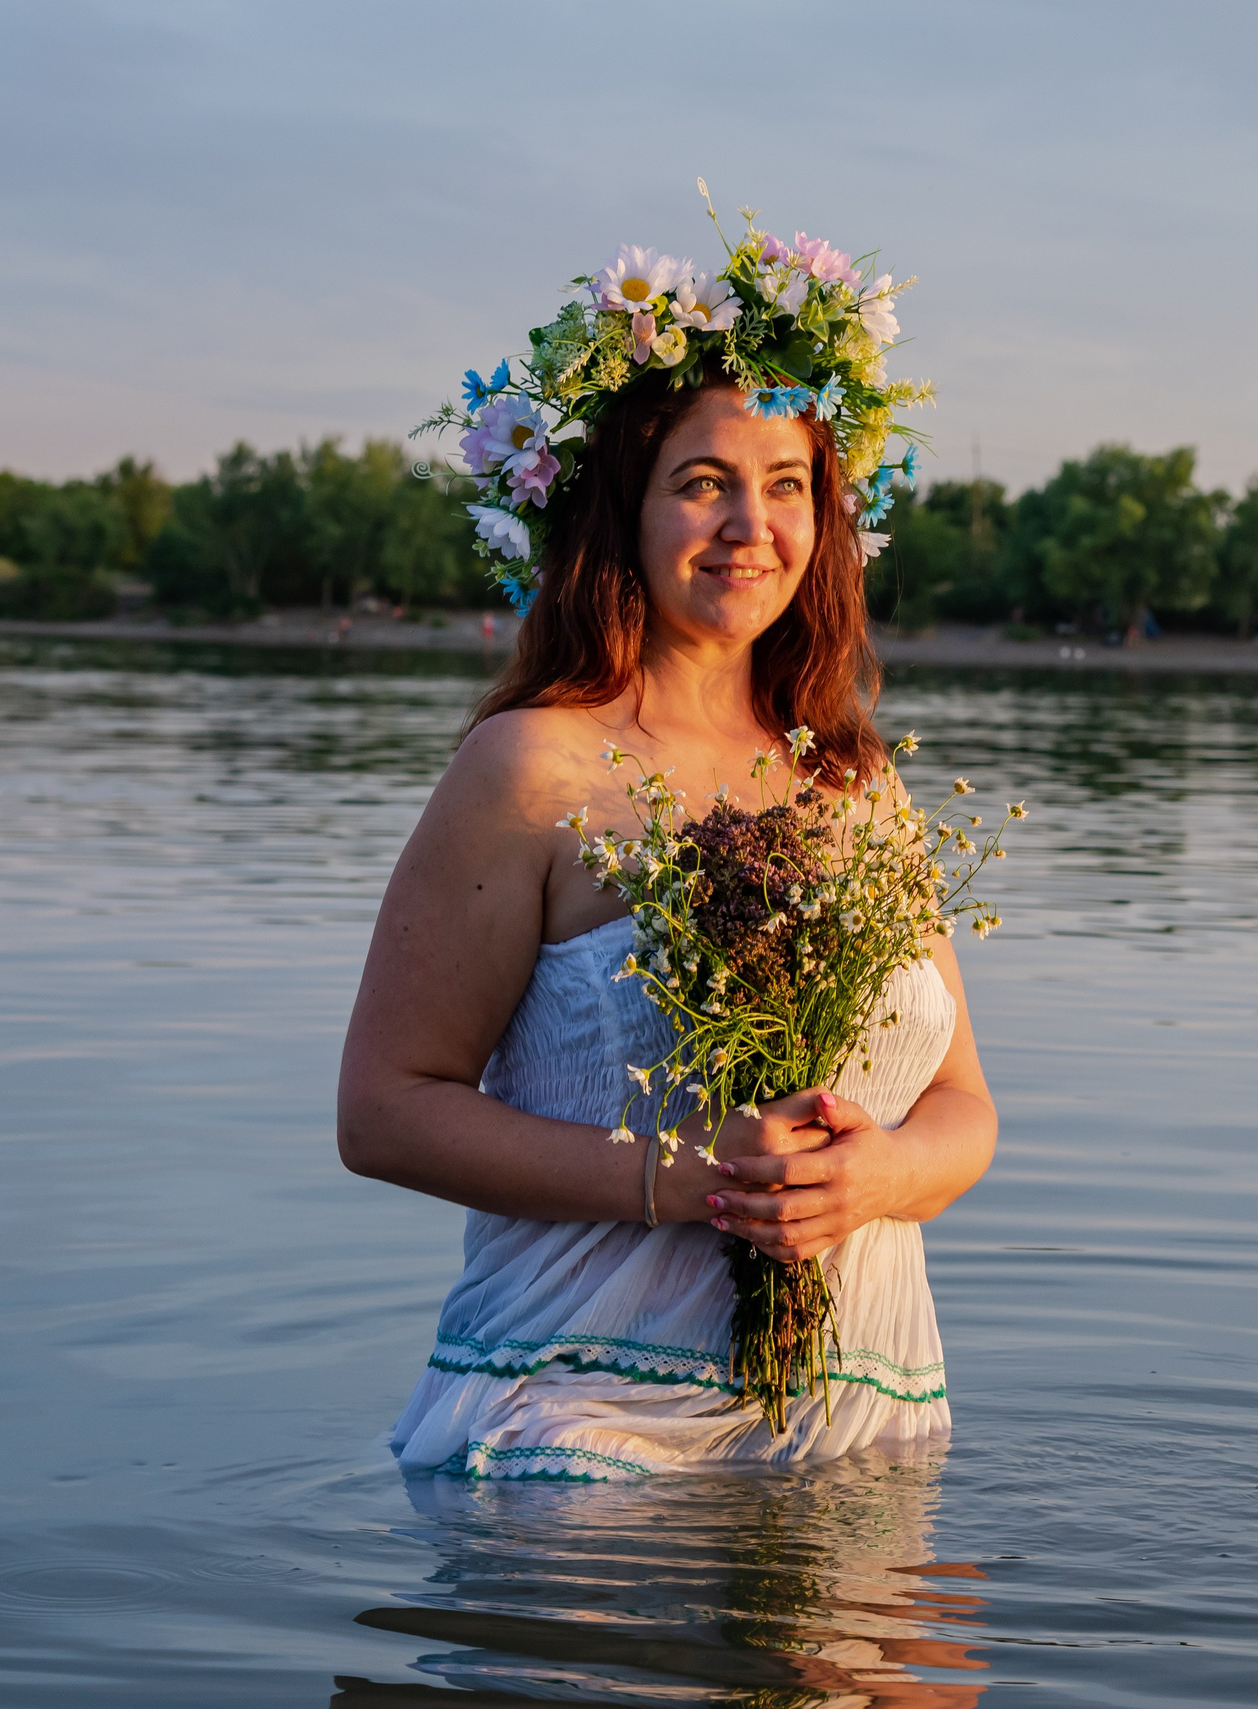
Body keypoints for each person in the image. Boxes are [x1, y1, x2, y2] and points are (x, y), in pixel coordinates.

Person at [336, 222, 997, 1485]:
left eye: (787, 483)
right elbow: (383, 1112)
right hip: (585, 1421)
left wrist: (878, 1174)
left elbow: (962, 1105)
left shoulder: (859, 779)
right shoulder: (532, 766)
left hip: (862, 1423)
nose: (751, 524)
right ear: (621, 510)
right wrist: (692, 1181)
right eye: (702, 481)